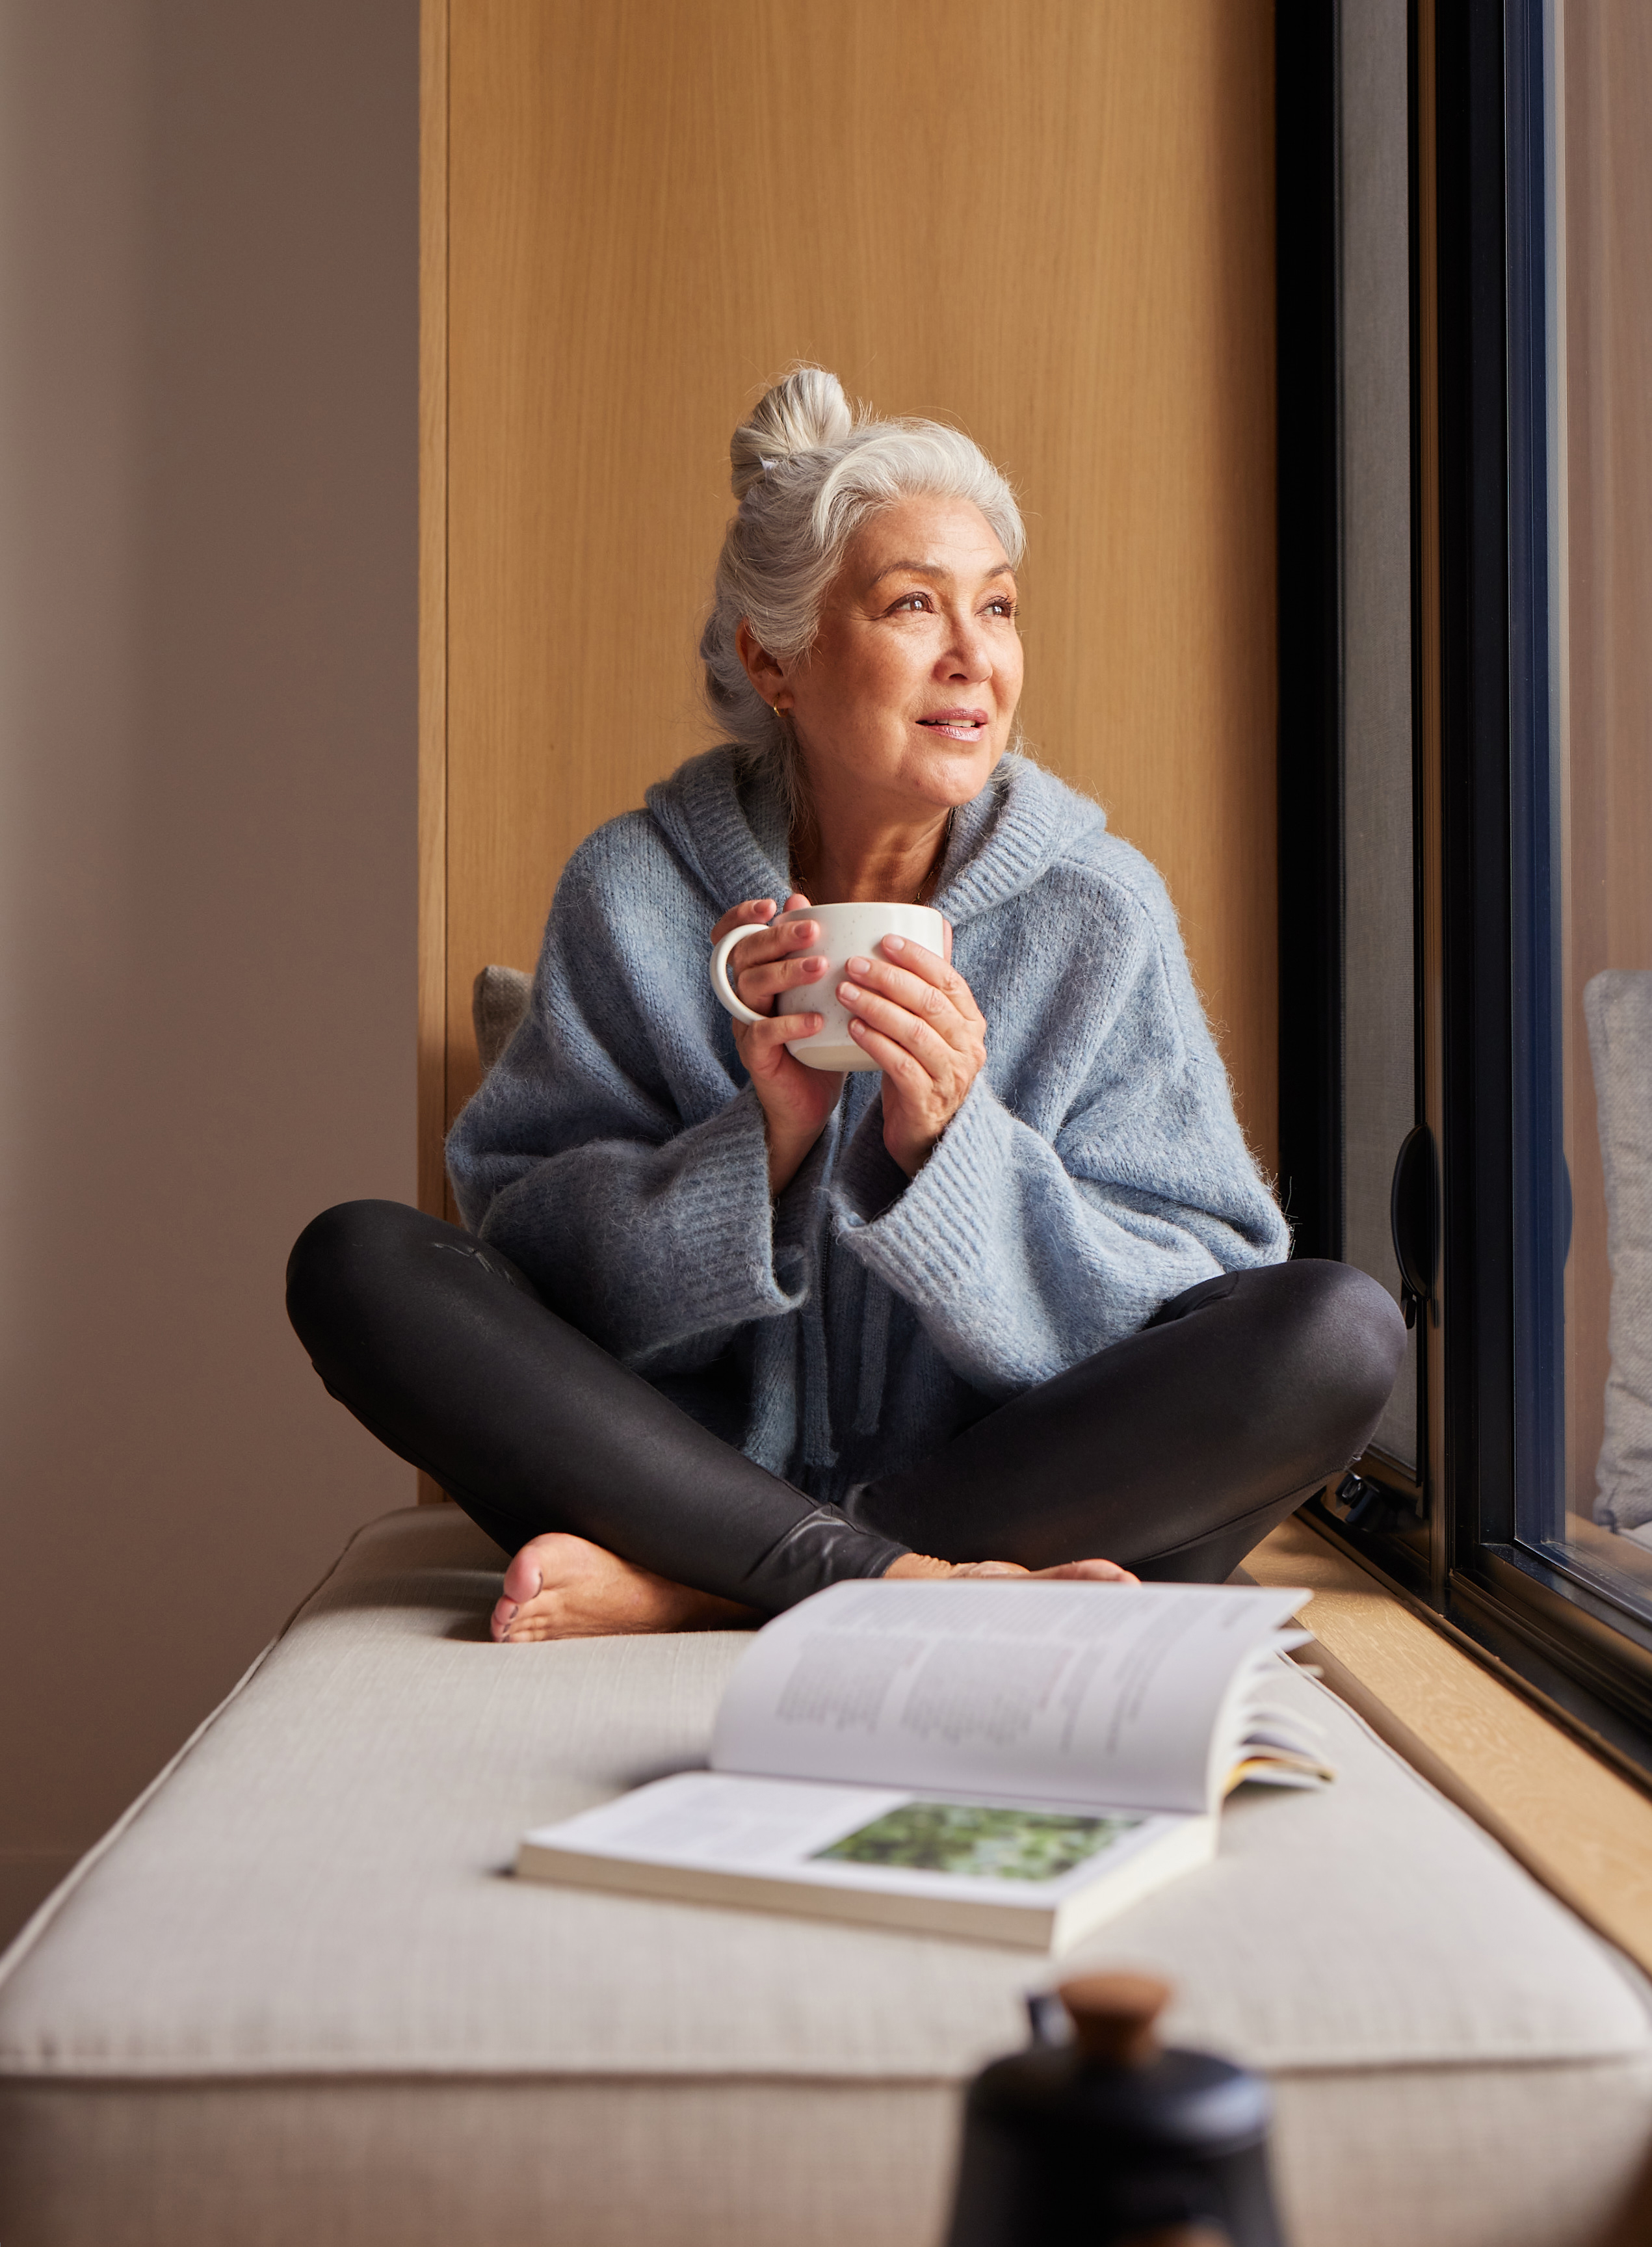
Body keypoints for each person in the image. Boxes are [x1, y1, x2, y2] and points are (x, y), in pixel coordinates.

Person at [287, 369, 1404, 1642]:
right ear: (776, 658)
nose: (974, 657)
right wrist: (754, 1150)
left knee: (1339, 1330)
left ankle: (717, 1586)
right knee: (358, 1260)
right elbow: (533, 1261)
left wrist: (951, 1153)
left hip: (991, 1481)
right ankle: (867, 1580)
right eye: (913, 605)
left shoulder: (1095, 908)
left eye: (996, 607)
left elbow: (1205, 1272)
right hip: (675, 1468)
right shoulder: (631, 889)